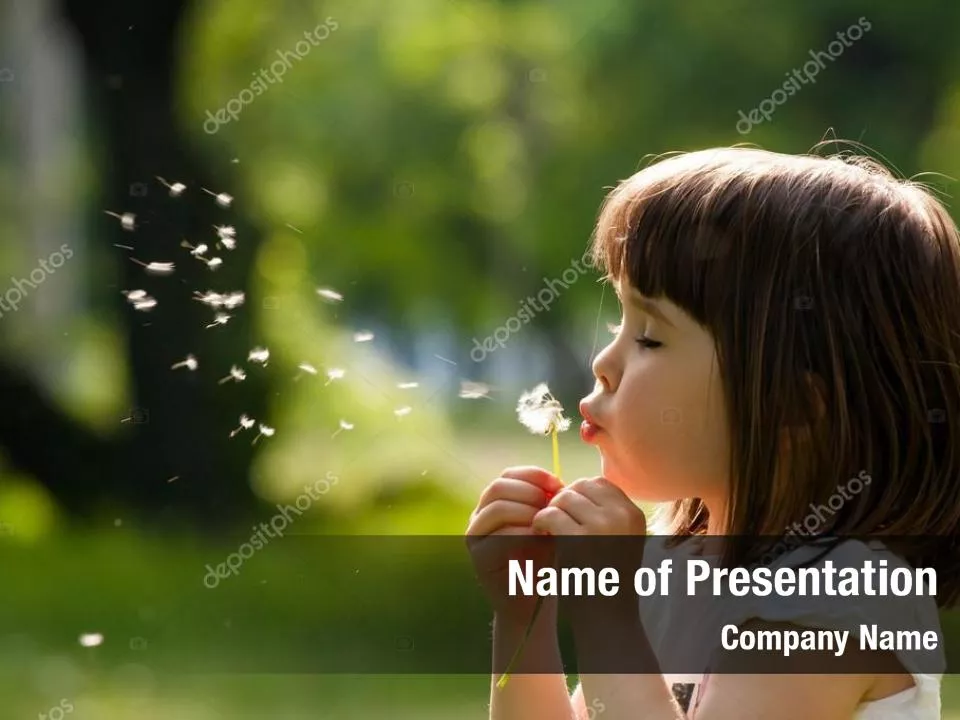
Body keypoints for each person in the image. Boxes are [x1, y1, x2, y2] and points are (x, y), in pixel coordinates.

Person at [466, 147, 960, 719]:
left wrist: (605, 613)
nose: (604, 361)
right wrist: (524, 615)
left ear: (793, 406)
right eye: (618, 322)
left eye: (650, 337)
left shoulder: (833, 605)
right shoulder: (675, 567)